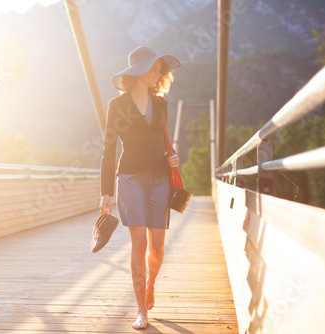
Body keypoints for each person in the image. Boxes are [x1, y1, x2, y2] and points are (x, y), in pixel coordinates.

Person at [99, 45, 181, 330]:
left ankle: (150, 285)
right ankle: (140, 312)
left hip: (159, 178)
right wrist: (105, 193)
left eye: (160, 69)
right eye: (154, 68)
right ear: (138, 71)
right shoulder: (116, 107)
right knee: (140, 243)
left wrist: (172, 157)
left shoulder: (161, 104)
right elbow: (108, 151)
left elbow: (163, 142)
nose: (158, 73)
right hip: (130, 178)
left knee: (157, 249)